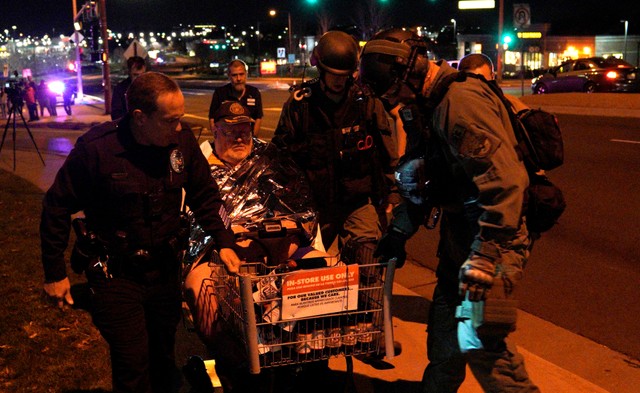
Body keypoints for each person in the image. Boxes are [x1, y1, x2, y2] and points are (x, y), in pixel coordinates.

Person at [359, 29, 540, 392]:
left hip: (492, 245)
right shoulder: (429, 105)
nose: (395, 101)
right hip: (461, 242)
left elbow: (504, 182)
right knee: (445, 341)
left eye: (394, 90)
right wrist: (398, 232)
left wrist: (486, 257)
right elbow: (427, 181)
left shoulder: (460, 103)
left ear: (407, 68)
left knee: (484, 346)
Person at [40, 72, 242, 393]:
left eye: (180, 118)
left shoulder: (181, 142)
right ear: (140, 118)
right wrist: (54, 272)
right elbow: (56, 206)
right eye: (170, 120)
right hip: (116, 276)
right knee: (133, 363)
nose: (179, 127)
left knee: (163, 358)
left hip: (163, 271)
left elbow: (206, 195)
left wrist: (225, 242)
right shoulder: (97, 151)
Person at [183, 101, 327, 392]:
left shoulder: (270, 161)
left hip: (278, 248)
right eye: (231, 131)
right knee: (202, 290)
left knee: (327, 268)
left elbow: (302, 210)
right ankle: (233, 364)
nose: (239, 137)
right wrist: (228, 236)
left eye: (244, 130)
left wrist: (288, 232)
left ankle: (315, 351)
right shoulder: (198, 163)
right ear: (215, 128)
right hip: (219, 258)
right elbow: (190, 220)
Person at [272, 30, 399, 254]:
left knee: (367, 259)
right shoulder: (301, 105)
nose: (339, 80)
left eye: (345, 74)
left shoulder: (366, 103)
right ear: (320, 68)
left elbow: (387, 152)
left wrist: (393, 192)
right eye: (333, 74)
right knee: (303, 268)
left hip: (357, 201)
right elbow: (279, 155)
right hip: (313, 204)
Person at [457, 53, 530, 113]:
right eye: (471, 81)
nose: (477, 88)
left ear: (492, 77)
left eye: (482, 81)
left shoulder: (510, 104)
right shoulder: (454, 106)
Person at [208, 59, 263, 137]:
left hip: (247, 139)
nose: (238, 78)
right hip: (226, 139)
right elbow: (212, 118)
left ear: (246, 74)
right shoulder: (220, 93)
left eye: (241, 74)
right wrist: (217, 137)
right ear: (229, 76)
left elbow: (258, 117)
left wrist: (253, 138)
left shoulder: (254, 93)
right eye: (234, 75)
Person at [111, 55, 147, 120]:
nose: (139, 78)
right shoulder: (120, 89)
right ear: (129, 72)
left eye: (142, 75)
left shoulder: (150, 88)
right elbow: (116, 114)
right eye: (135, 75)